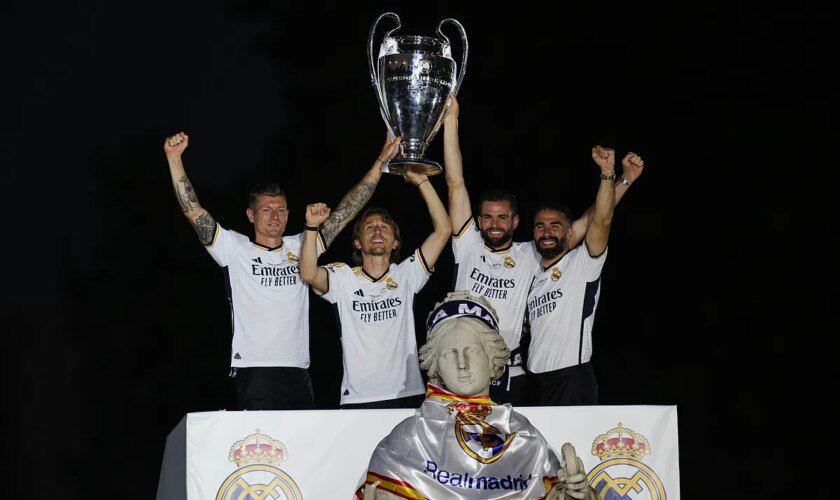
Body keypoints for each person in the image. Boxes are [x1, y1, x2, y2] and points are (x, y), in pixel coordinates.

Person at [163, 131, 402, 410]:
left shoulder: (303, 244)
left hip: (298, 371)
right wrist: (174, 158)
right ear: (251, 215)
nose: (275, 217)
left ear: (289, 215)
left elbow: (347, 211)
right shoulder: (234, 248)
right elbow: (193, 211)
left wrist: (380, 163)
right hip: (255, 371)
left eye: (281, 210)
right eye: (266, 210)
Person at [441, 95, 640, 405]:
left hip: (512, 373)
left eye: (503, 217)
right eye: (489, 217)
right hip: (461, 367)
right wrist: (451, 121)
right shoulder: (468, 245)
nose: (495, 224)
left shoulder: (531, 255)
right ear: (478, 221)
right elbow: (455, 183)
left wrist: (623, 180)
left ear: (515, 221)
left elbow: (592, 221)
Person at [356, 291, 598, 499]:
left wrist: (580, 495)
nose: (463, 364)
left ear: (493, 357)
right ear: (435, 366)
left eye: (472, 350)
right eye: (450, 353)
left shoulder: (525, 436)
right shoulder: (407, 441)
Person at [299, 166, 451, 409]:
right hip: (358, 398)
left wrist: (422, 181)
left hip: (407, 393)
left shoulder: (407, 274)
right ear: (358, 242)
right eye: (369, 227)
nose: (377, 230)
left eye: (384, 227)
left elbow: (444, 229)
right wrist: (311, 228)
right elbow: (308, 272)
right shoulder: (343, 278)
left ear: (395, 242)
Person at [527, 148, 645, 406]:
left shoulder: (581, 263)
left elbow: (600, 219)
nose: (547, 231)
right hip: (535, 380)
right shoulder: (534, 274)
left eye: (555, 225)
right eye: (540, 226)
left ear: (570, 233)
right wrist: (626, 180)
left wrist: (608, 174)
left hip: (571, 378)